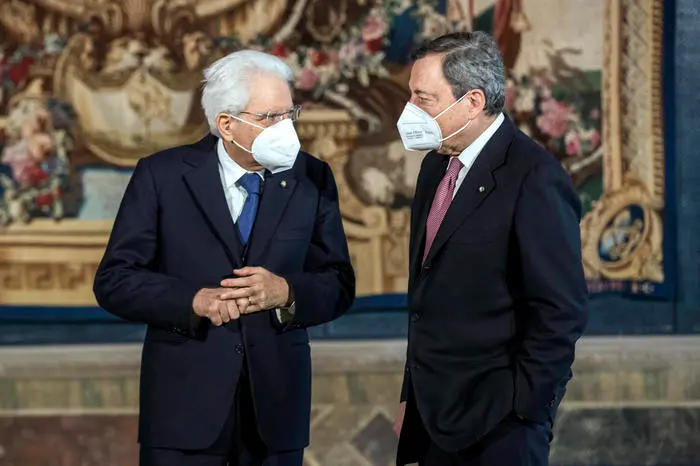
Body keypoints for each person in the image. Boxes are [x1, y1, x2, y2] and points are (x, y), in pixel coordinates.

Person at [93, 50, 355, 466]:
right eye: (270, 117)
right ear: (227, 124)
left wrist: (287, 292)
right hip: (182, 413)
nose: (286, 128)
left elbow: (339, 283)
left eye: (291, 113)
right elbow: (115, 280)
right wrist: (192, 301)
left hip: (276, 412)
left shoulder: (312, 177)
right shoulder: (162, 176)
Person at [393, 32, 587, 466]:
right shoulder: (434, 167)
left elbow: (560, 310)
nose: (409, 112)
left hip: (501, 425)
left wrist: (525, 408)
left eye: (423, 98)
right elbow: (427, 298)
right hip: (432, 418)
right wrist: (412, 397)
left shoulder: (533, 176)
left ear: (473, 101)